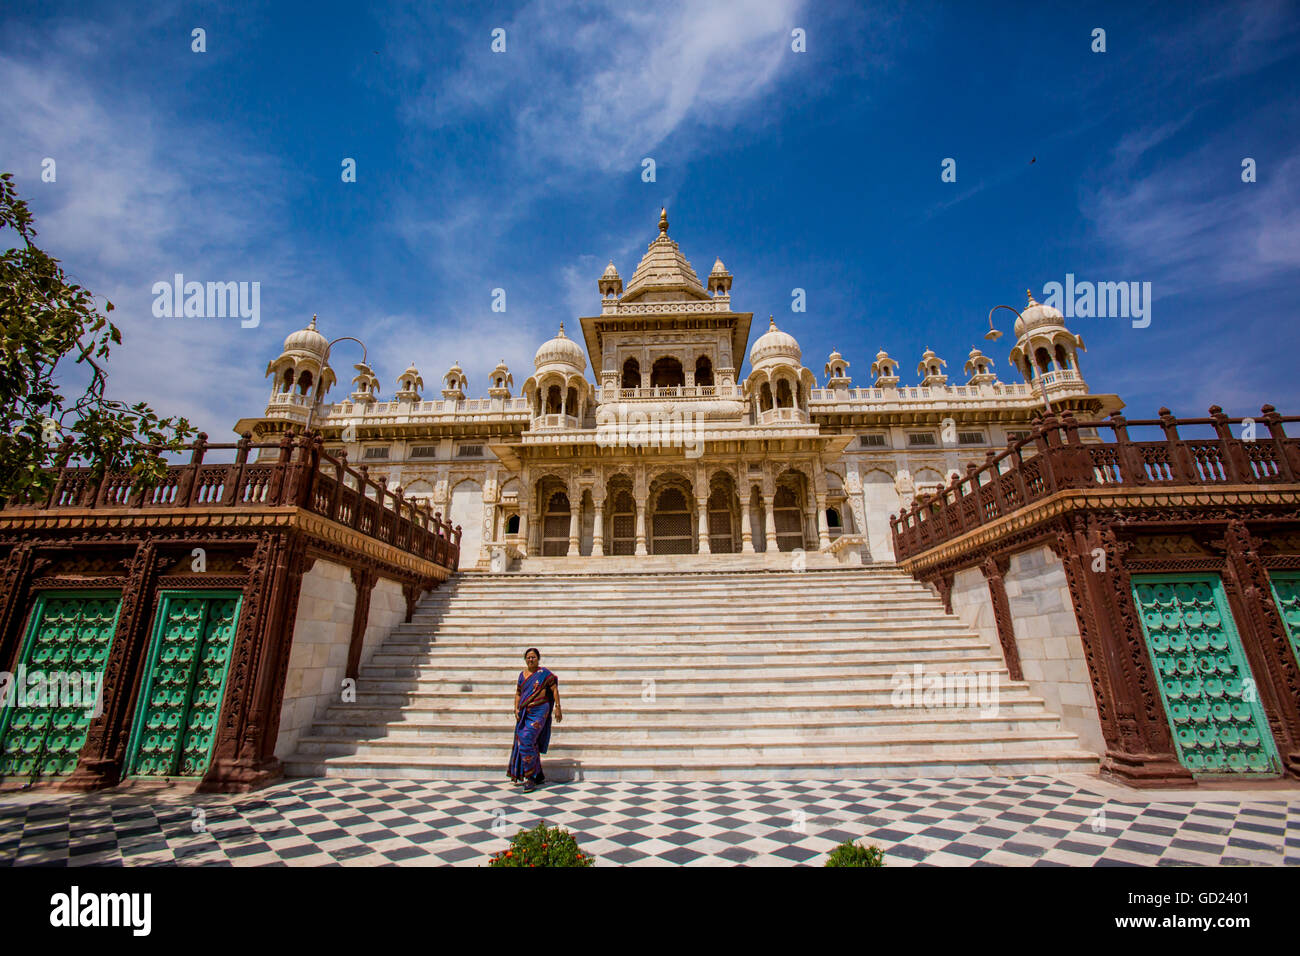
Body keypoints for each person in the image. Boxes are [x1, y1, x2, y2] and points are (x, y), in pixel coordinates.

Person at [508, 647, 561, 792]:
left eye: (533, 657)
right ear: (525, 659)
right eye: (528, 657)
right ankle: (539, 774)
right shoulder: (522, 675)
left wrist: (558, 707)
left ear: (538, 658)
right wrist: (516, 708)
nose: (531, 660)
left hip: (540, 710)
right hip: (525, 711)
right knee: (529, 741)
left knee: (526, 739)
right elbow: (518, 692)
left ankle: (530, 777)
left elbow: (554, 689)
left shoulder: (544, 673)